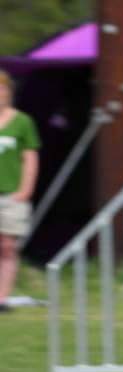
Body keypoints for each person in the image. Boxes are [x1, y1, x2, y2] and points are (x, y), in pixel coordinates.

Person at [0, 70, 40, 312]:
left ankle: (2, 298)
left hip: (11, 194)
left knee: (7, 246)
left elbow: (30, 158)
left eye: (2, 89)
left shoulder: (22, 122)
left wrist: (25, 189)